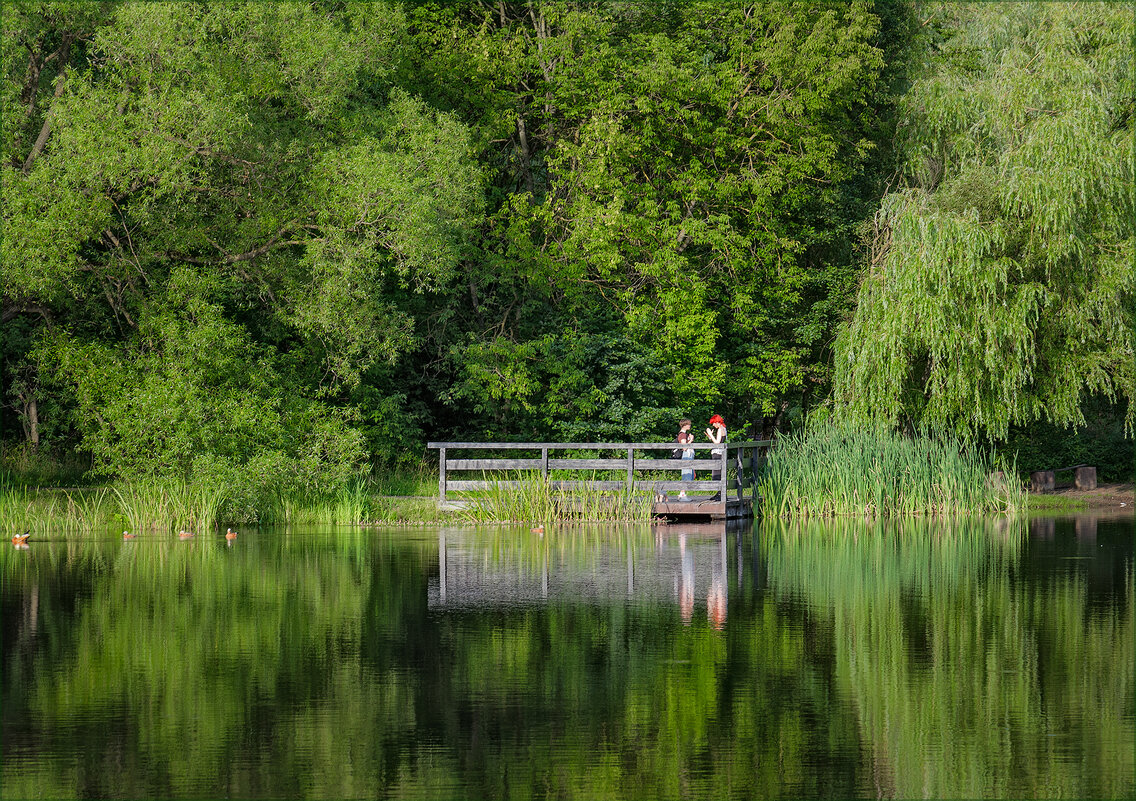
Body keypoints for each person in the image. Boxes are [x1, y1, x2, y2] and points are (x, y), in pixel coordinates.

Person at [705, 414, 727, 499]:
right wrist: (711, 437)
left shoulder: (720, 429)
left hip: (717, 453)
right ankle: (720, 493)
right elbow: (720, 440)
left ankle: (719, 494)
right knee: (720, 473)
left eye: (714, 423)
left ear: (717, 422)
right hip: (721, 453)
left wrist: (711, 433)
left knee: (716, 474)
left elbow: (717, 443)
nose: (713, 425)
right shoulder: (724, 428)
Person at [674, 418, 694, 499]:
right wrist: (691, 440)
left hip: (687, 455)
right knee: (686, 474)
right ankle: (682, 494)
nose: (690, 426)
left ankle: (682, 493)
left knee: (688, 474)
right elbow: (684, 447)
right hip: (686, 455)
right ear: (684, 425)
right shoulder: (682, 434)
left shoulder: (684, 434)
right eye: (688, 424)